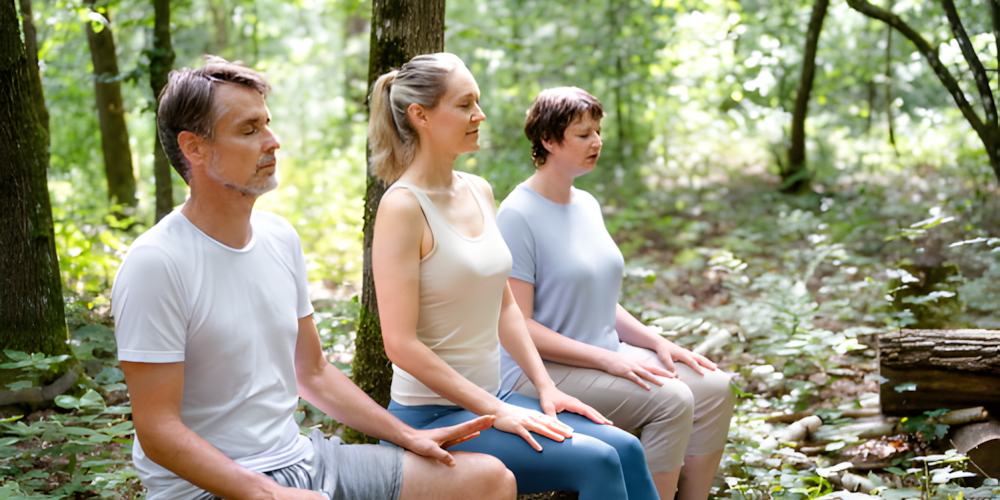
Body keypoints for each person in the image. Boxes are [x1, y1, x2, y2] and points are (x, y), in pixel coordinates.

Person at [111, 57, 517, 500]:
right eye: (249, 130)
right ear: (194, 148)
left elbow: (314, 372)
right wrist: (267, 494)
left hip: (304, 460)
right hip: (210, 489)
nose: (273, 142)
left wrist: (408, 435)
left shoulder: (279, 237)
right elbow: (157, 429)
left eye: (267, 124)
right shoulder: (157, 263)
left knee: (492, 481)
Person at [368, 53, 659, 500]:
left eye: (477, 101)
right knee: (598, 460)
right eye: (464, 104)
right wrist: (496, 409)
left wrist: (546, 388)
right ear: (420, 115)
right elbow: (400, 345)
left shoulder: (479, 190)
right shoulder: (403, 207)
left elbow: (504, 306)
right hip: (433, 416)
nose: (479, 114)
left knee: (626, 448)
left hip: (495, 398)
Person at [496, 87, 735, 500]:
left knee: (715, 387)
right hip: (537, 372)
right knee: (672, 400)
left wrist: (657, 342)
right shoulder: (517, 214)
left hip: (605, 353)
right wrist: (610, 360)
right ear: (548, 140)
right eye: (583, 134)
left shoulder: (586, 204)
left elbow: (599, 298)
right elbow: (519, 324)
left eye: (597, 131)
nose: (596, 142)